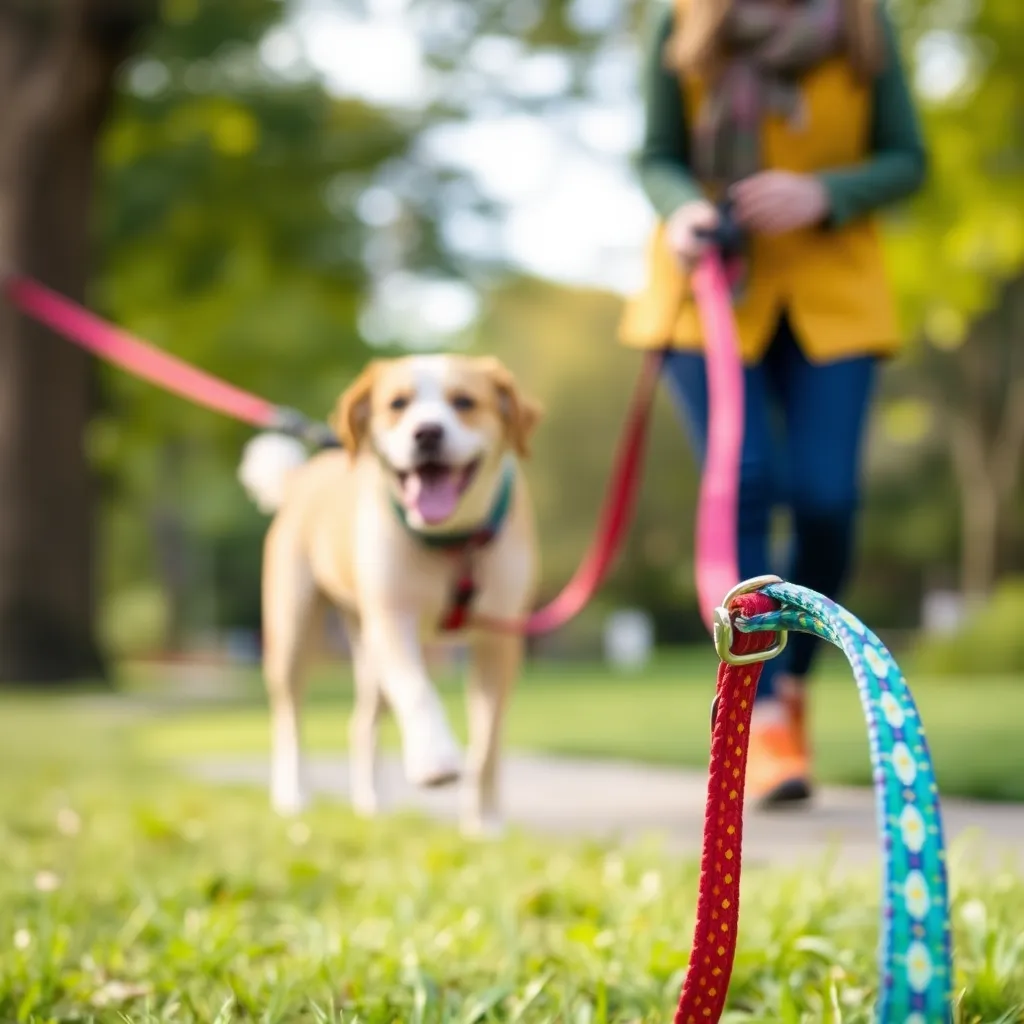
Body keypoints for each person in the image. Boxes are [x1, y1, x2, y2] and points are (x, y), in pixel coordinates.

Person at [620, 0, 927, 806]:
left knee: (827, 500)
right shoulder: (681, 23)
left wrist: (825, 191)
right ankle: (758, 722)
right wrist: (682, 206)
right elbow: (656, 155)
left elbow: (907, 159)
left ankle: (790, 686)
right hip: (709, 286)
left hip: (834, 292)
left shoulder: (863, 23)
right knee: (746, 482)